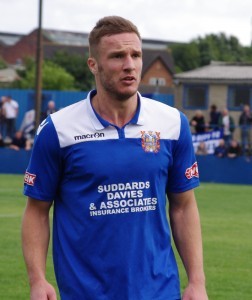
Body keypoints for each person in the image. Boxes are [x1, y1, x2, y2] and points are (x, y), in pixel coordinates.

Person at [22, 16, 208, 300]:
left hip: (159, 291)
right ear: (93, 64)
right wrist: (37, 280)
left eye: (136, 55)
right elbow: (36, 211)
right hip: (85, 292)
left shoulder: (172, 124)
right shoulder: (58, 130)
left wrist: (197, 281)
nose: (129, 65)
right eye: (117, 56)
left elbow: (183, 207)